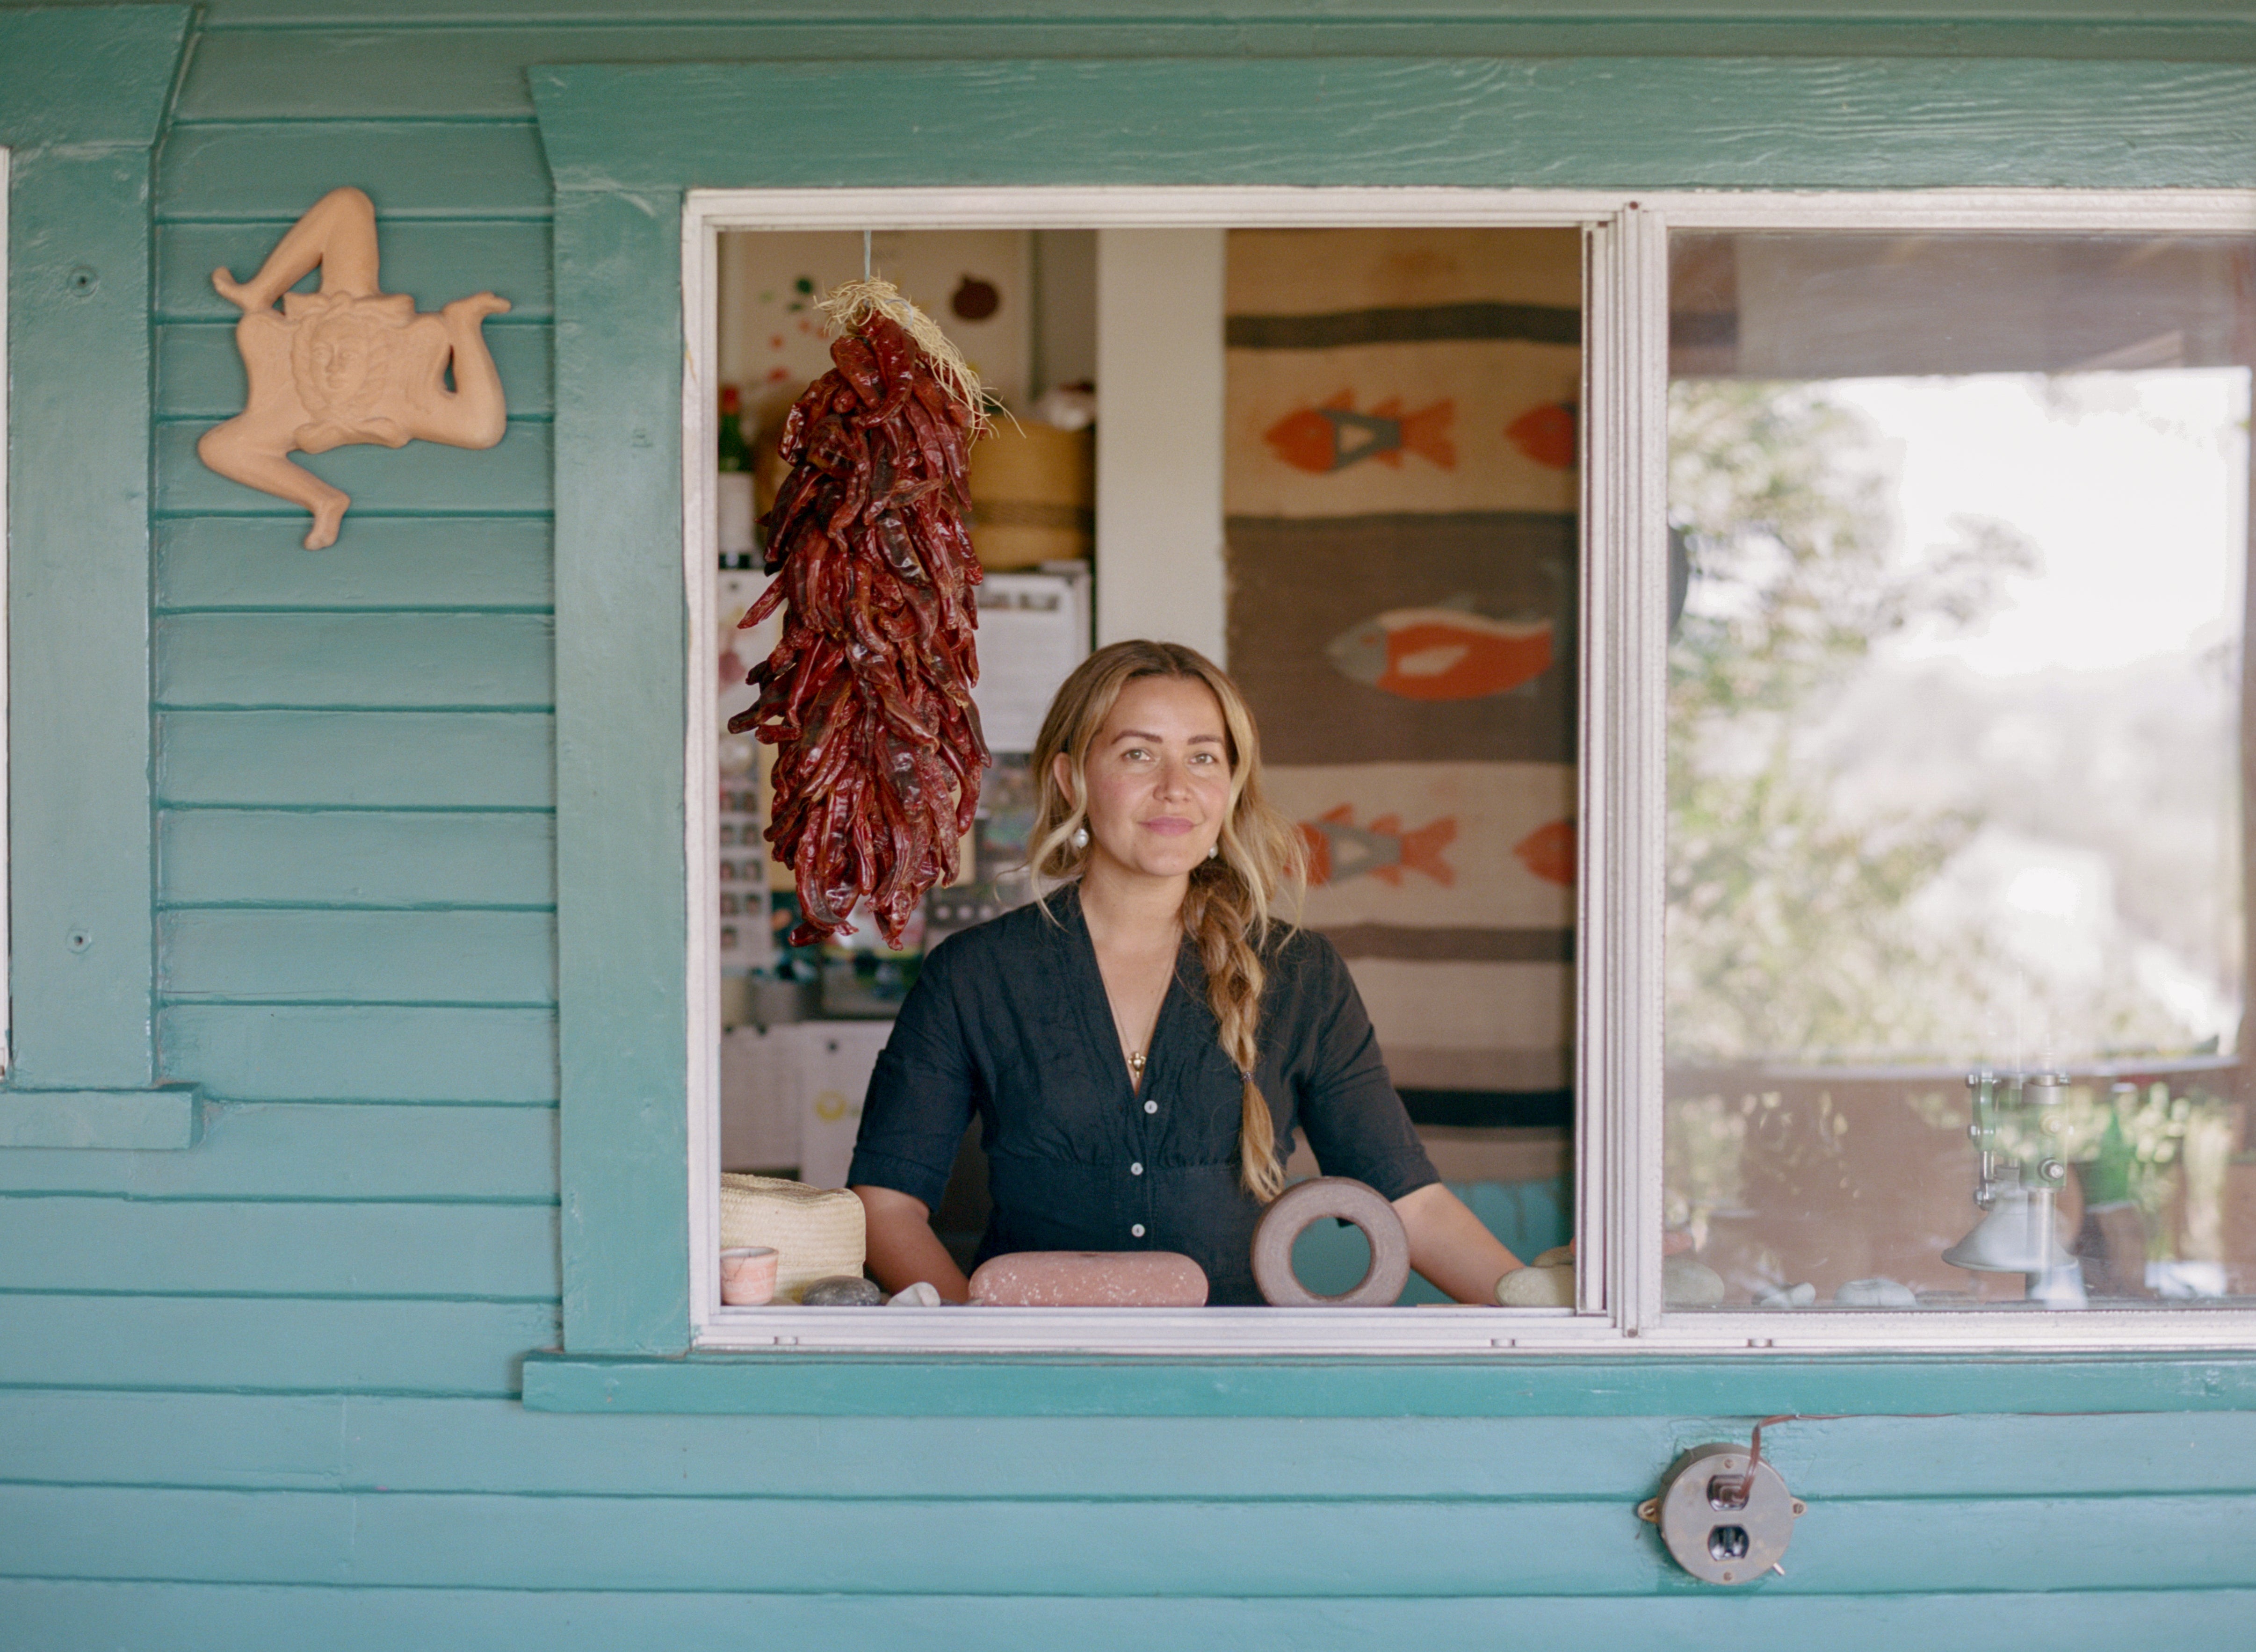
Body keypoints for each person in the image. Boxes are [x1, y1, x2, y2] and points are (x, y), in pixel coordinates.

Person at [848, 639, 1525, 1306]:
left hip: (1236, 1369)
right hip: (1033, 1362)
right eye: (1138, 754)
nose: (1176, 788)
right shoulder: (974, 974)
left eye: (1203, 757)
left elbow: (1411, 1203)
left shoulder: (1302, 974)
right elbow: (885, 1204)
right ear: (1071, 779)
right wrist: (979, 1339)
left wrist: (1540, 1311)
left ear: (1230, 786)